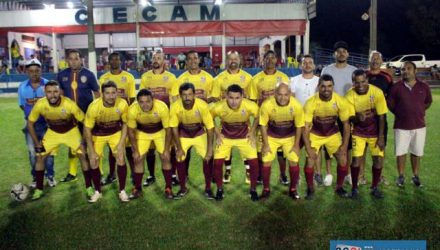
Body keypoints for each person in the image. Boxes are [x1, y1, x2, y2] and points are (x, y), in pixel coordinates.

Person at [26, 81, 92, 200]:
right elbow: (30, 123)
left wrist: (83, 141)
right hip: (53, 132)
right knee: (40, 157)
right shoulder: (40, 104)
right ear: (44, 93)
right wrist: (37, 143)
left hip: (71, 131)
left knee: (83, 156)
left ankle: (89, 187)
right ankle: (39, 189)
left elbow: (85, 122)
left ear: (60, 92)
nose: (53, 95)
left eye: (55, 91)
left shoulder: (68, 103)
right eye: (49, 92)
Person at [303, 74, 351, 199]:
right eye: (323, 86)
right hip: (315, 134)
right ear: (319, 87)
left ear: (333, 87)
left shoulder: (340, 101)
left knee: (343, 159)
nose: (326, 89)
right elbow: (306, 127)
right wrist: (308, 148)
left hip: (332, 133)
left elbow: (346, 125)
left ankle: (339, 187)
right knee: (309, 160)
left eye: (329, 86)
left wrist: (344, 146)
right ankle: (310, 189)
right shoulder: (310, 103)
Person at [211, 50, 255, 183]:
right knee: (225, 144)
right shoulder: (219, 78)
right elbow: (214, 97)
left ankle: (248, 172)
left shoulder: (248, 78)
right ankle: (227, 172)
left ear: (240, 60)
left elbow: (252, 99)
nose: (233, 61)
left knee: (246, 146)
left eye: (235, 58)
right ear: (227, 60)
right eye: (230, 59)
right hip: (226, 118)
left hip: (243, 120)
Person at [211, 84, 260, 201]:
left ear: (242, 97)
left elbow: (258, 116)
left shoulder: (250, 105)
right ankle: (219, 189)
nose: (234, 101)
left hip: (244, 137)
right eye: (231, 98)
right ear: (226, 96)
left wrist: (252, 131)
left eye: (237, 98)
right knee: (217, 163)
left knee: (254, 163)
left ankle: (253, 189)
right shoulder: (218, 107)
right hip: (225, 138)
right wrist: (218, 134)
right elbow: (209, 118)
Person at [57, 49, 100, 183]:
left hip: (87, 116)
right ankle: (72, 172)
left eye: (76, 58)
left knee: (92, 144)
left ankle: (99, 172)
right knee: (73, 145)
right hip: (70, 117)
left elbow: (97, 93)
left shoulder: (89, 74)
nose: (73, 61)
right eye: (71, 59)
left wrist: (96, 112)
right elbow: (61, 95)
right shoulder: (62, 75)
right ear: (67, 60)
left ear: (81, 59)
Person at [387, 61, 432, 187]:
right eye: (403, 69)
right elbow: (390, 103)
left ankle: (415, 176)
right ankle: (401, 176)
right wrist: (399, 112)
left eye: (408, 68)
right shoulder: (396, 87)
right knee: (401, 152)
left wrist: (420, 110)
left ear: (415, 71)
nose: (405, 71)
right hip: (401, 126)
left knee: (416, 152)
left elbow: (428, 101)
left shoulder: (423, 86)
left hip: (419, 125)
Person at [83, 81, 129, 203]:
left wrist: (120, 144)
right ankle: (98, 191)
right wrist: (91, 151)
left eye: (113, 93)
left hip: (115, 132)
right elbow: (87, 129)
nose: (111, 96)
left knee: (120, 157)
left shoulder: (123, 104)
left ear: (117, 93)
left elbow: (125, 124)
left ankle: (122, 191)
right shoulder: (94, 106)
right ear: (102, 94)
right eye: (107, 93)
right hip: (98, 134)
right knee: (93, 160)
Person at [345, 69, 388, 199]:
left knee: (378, 160)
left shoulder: (377, 92)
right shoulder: (349, 95)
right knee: (356, 160)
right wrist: (358, 118)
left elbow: (381, 116)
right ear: (353, 83)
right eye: (357, 82)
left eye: (363, 81)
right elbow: (350, 118)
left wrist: (381, 137)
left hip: (375, 133)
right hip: (358, 132)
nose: (360, 85)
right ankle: (354, 188)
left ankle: (374, 187)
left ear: (367, 80)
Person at [251, 50, 290, 185]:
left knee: (281, 150)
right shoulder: (256, 79)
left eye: (273, 58)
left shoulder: (284, 77)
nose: (270, 60)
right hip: (263, 121)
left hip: (279, 120)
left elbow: (288, 98)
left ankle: (283, 175)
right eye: (268, 58)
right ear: (263, 60)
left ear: (276, 60)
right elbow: (252, 102)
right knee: (261, 149)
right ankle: (261, 175)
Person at [320, 41, 357, 186]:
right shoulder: (327, 70)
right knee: (327, 144)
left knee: (347, 145)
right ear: (334, 54)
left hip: (347, 113)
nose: (341, 53)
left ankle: (347, 172)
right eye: (338, 51)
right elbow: (322, 90)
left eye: (344, 51)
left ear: (348, 54)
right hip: (330, 113)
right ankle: (329, 174)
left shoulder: (353, 70)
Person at [169, 83, 214, 199]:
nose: (187, 97)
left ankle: (208, 188)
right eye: (184, 95)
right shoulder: (175, 106)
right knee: (179, 157)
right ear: (180, 96)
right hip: (183, 133)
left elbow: (210, 128)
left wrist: (209, 149)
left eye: (189, 94)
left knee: (208, 158)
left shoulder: (202, 105)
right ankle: (183, 188)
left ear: (194, 94)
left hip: (199, 132)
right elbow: (174, 127)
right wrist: (178, 148)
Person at [260, 83, 304, 200]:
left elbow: (299, 126)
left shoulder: (296, 105)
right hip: (271, 136)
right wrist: (265, 144)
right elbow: (263, 125)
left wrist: (296, 145)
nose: (282, 97)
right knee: (266, 161)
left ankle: (293, 189)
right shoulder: (267, 105)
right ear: (275, 93)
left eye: (285, 95)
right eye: (279, 94)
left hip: (289, 137)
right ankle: (266, 189)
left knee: (293, 161)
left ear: (290, 94)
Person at [127, 89, 174, 199]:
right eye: (141, 102)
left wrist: (167, 150)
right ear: (137, 102)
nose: (145, 104)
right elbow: (131, 132)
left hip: (159, 131)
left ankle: (168, 188)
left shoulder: (162, 107)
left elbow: (168, 130)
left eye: (148, 101)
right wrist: (135, 150)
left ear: (153, 100)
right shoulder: (133, 109)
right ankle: (137, 188)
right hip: (142, 132)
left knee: (165, 158)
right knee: (138, 158)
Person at [140, 51, 178, 186]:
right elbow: (140, 99)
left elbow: (174, 100)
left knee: (170, 149)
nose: (156, 60)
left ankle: (173, 174)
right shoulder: (145, 77)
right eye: (154, 58)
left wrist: (173, 118)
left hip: (165, 120)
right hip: (149, 120)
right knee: (150, 150)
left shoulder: (171, 77)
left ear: (164, 61)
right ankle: (151, 175)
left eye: (159, 58)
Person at [99, 52, 136, 185]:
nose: (115, 61)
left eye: (117, 59)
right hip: (110, 119)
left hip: (125, 118)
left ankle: (133, 173)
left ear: (121, 61)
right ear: (108, 61)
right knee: (112, 149)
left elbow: (132, 98)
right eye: (112, 59)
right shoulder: (103, 78)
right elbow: (100, 99)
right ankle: (112, 174)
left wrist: (130, 117)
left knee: (129, 147)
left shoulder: (129, 77)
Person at [18, 58, 55, 188]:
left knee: (48, 153)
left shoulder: (48, 85)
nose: (34, 73)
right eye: (31, 71)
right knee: (33, 154)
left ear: (41, 71)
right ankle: (35, 177)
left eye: (37, 71)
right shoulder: (22, 87)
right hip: (30, 126)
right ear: (27, 72)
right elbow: (22, 105)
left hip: (46, 125)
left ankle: (50, 176)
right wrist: (31, 117)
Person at [289, 55, 321, 184]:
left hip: (314, 121)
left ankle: (317, 174)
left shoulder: (319, 81)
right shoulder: (294, 80)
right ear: (300, 65)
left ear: (314, 65)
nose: (307, 65)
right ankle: (296, 175)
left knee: (316, 148)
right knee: (295, 147)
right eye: (304, 62)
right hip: (297, 121)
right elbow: (290, 101)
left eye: (310, 62)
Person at [364, 50, 394, 185]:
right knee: (362, 148)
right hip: (364, 119)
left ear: (382, 61)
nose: (375, 61)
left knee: (380, 147)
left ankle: (380, 176)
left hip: (380, 118)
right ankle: (361, 175)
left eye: (377, 59)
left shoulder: (387, 77)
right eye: (373, 59)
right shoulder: (363, 76)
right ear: (369, 61)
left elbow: (392, 96)